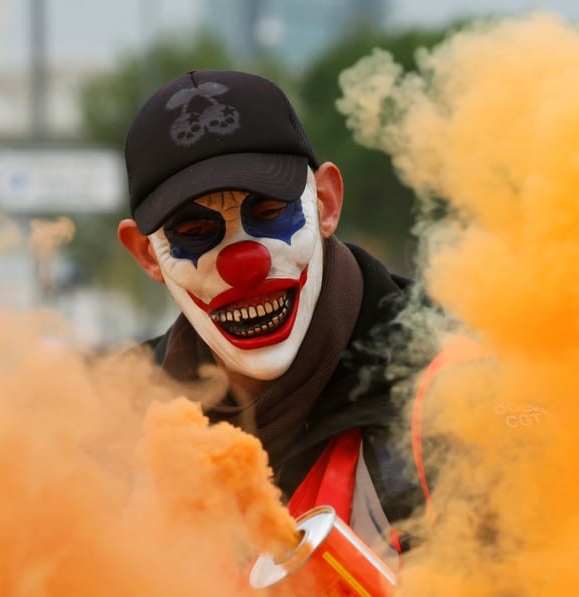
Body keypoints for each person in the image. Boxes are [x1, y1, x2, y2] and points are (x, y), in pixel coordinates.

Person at [117, 69, 433, 565]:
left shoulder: (454, 392)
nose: (245, 265)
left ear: (326, 204)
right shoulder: (116, 418)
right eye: (196, 230)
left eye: (269, 212)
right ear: (148, 255)